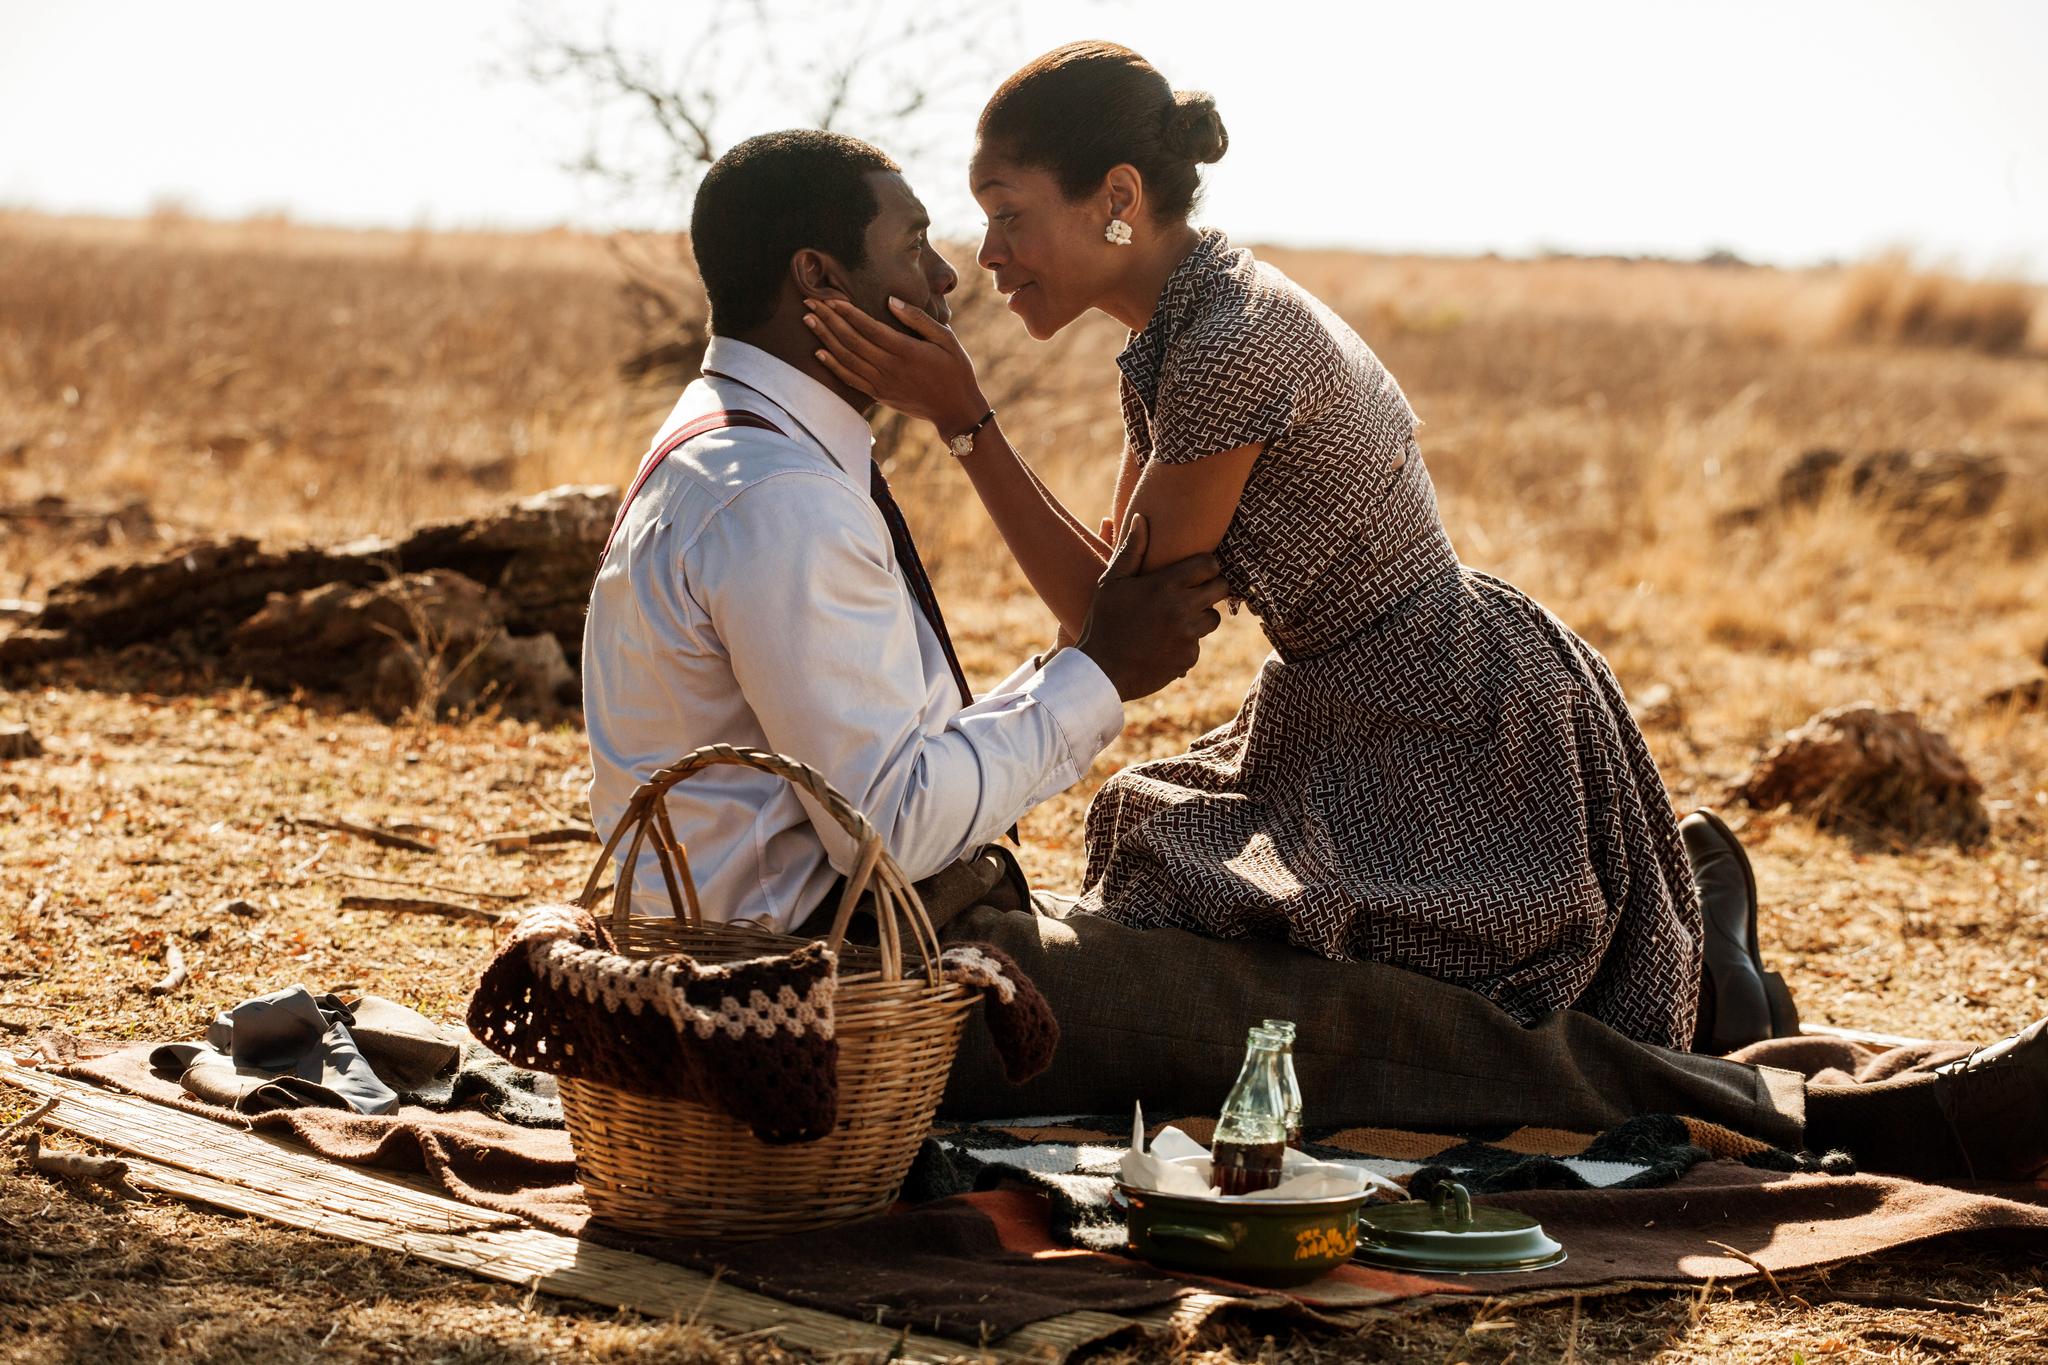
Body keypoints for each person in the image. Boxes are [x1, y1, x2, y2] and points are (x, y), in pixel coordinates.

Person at [581, 126, 2048, 1184]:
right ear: (820, 277)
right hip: (866, 992)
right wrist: (1086, 676)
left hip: (909, 936)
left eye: (986, 225)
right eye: (922, 246)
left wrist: (1065, 612)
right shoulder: (775, 500)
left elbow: (1087, 641)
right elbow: (901, 807)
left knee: (1312, 963)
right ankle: (1858, 1119)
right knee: (1354, 1029)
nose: (959, 276)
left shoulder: (736, 453)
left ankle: (1725, 1008)